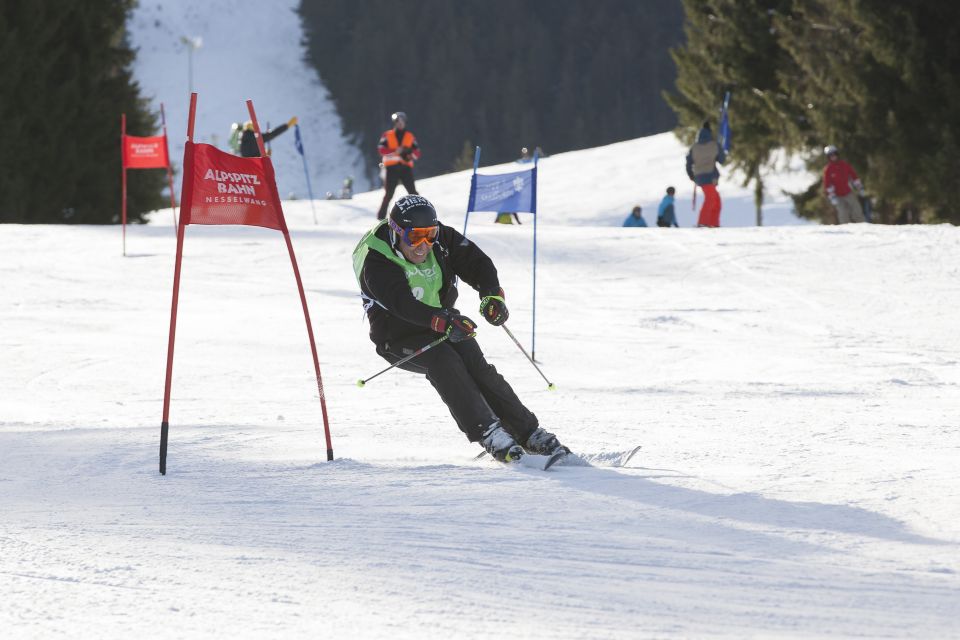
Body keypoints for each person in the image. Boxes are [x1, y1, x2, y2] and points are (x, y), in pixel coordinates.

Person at [352, 194, 569, 462]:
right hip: (397, 336)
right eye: (414, 237)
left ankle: (529, 433)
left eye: (429, 235)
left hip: (442, 322)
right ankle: (489, 433)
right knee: (444, 362)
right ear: (397, 233)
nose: (423, 245)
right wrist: (441, 320)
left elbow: (478, 263)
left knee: (477, 365)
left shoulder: (442, 239)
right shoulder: (377, 259)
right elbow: (402, 304)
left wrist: (492, 295)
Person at [376, 111, 421, 219]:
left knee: (413, 193)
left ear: (405, 122)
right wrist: (396, 150)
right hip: (391, 168)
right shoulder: (387, 135)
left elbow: (417, 153)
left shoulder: (410, 136)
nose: (400, 123)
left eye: (402, 121)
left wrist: (409, 154)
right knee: (389, 194)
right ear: (394, 123)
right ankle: (381, 217)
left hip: (406, 168)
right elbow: (381, 150)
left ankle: (420, 213)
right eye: (397, 121)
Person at [685, 121, 726, 227]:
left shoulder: (694, 147)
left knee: (716, 200)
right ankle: (703, 222)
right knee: (711, 199)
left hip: (699, 177)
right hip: (710, 176)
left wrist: (691, 175)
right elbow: (722, 160)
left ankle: (713, 223)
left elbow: (688, 162)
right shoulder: (714, 145)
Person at [822, 145, 866, 224]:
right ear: (828, 157)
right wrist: (832, 196)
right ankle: (846, 230)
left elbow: (854, 176)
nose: (833, 157)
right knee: (843, 213)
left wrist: (860, 188)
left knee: (857, 209)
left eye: (834, 154)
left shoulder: (844, 165)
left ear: (837, 155)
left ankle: (862, 225)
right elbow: (827, 184)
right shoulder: (828, 169)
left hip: (848, 192)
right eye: (831, 156)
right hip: (837, 195)